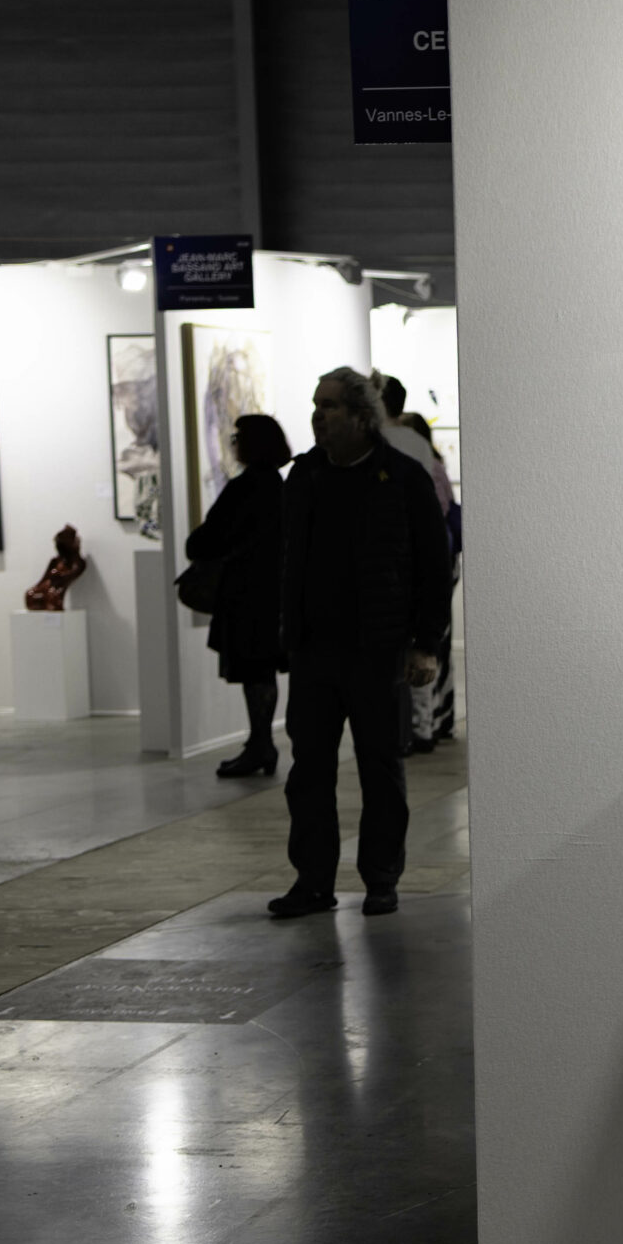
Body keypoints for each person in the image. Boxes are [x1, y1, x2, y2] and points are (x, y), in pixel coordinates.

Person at [267, 368, 450, 920]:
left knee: (381, 769)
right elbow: (286, 560)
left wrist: (426, 644)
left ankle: (381, 879)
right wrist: (285, 633)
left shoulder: (403, 477)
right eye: (315, 404)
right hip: (314, 652)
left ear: (362, 416)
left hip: (378, 650)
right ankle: (313, 882)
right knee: (309, 772)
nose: (318, 415)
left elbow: (433, 566)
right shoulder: (304, 476)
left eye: (330, 406)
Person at [184, 413, 293, 777]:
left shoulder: (245, 487)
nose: (233, 445)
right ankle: (260, 743)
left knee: (253, 672)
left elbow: (202, 542)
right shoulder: (279, 486)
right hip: (272, 595)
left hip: (246, 596)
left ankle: (260, 744)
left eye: (237, 438)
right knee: (262, 671)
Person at [392, 410, 458, 754]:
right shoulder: (429, 468)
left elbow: (439, 513)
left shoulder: (420, 471)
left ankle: (425, 724)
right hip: (437, 561)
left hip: (432, 564)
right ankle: (434, 720)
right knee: (435, 650)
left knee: (427, 648)